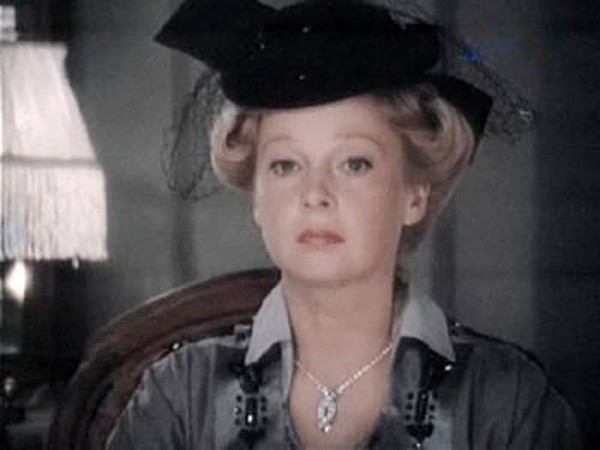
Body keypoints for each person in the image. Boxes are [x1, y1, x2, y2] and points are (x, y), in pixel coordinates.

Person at [107, 0, 582, 448]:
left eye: (354, 164)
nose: (315, 194)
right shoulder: (180, 395)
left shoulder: (506, 399)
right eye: (286, 165)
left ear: (414, 195)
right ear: (257, 199)